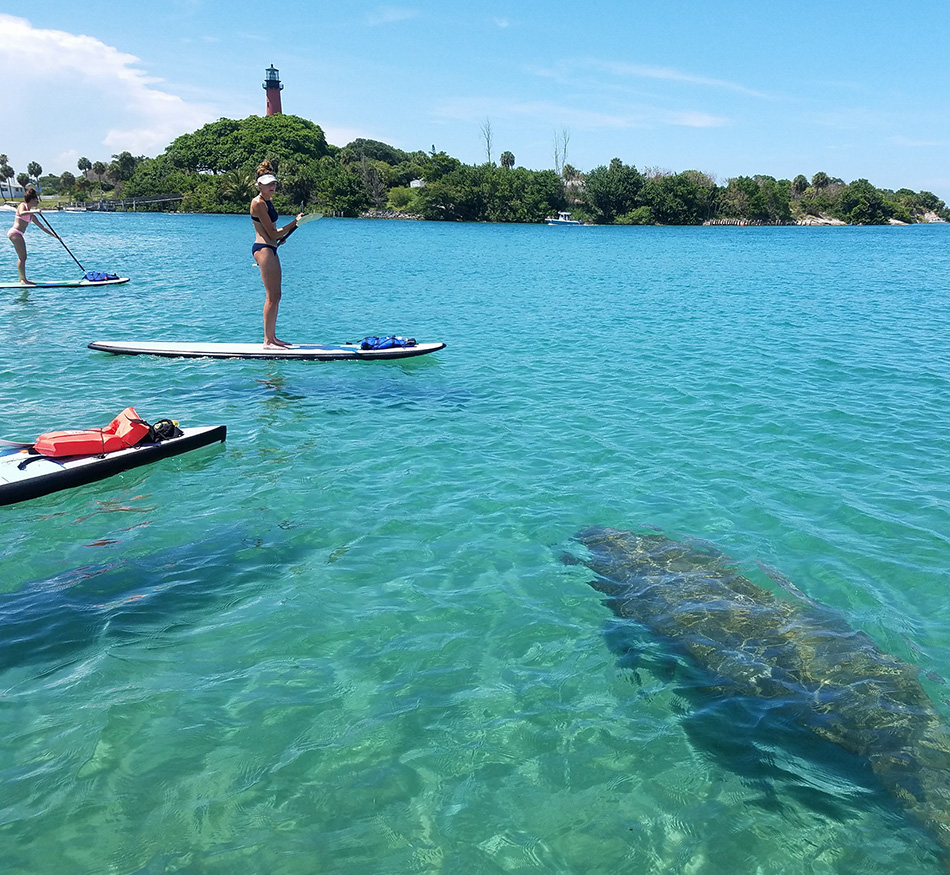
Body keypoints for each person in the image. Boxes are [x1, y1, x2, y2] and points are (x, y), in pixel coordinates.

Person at [250, 161, 304, 348]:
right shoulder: (257, 203)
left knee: (276, 295)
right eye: (268, 184)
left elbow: (273, 232)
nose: (272, 187)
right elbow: (272, 233)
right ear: (259, 185)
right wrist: (294, 223)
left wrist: (281, 237)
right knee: (271, 296)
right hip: (263, 249)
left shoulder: (268, 202)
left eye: (274, 183)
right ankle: (267, 340)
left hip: (271, 247)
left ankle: (273, 338)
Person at [7, 187, 59, 285]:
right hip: (15, 232)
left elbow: (42, 227)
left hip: (18, 234)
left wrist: (54, 235)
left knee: (22, 257)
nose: (37, 202)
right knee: (23, 257)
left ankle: (22, 279)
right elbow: (21, 213)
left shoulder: (32, 215)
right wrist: (34, 211)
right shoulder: (23, 205)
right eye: (36, 200)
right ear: (31, 200)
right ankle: (23, 280)